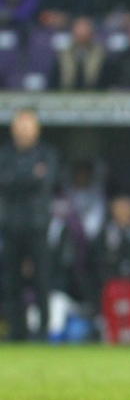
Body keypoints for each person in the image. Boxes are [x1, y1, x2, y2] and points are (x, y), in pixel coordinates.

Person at [0, 108, 58, 341]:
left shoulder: (47, 153)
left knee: (42, 279)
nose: (23, 132)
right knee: (11, 280)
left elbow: (46, 183)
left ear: (37, 130)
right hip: (10, 226)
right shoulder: (5, 154)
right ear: (13, 130)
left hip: (37, 226)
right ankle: (17, 331)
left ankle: (44, 330)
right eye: (20, 127)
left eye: (28, 127)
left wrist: (15, 179)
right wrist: (30, 177)